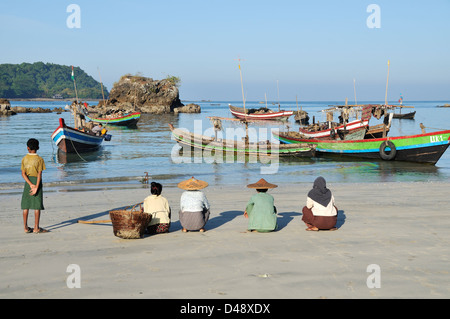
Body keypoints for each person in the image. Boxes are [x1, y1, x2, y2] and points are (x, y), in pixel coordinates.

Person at [21, 138, 48, 233]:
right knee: (37, 206)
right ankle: (36, 227)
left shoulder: (24, 158)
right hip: (37, 182)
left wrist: (31, 185)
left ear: (27, 148)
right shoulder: (40, 159)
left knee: (26, 205)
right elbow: (39, 174)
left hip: (28, 182)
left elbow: (23, 174)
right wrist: (36, 186)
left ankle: (25, 227)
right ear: (38, 147)